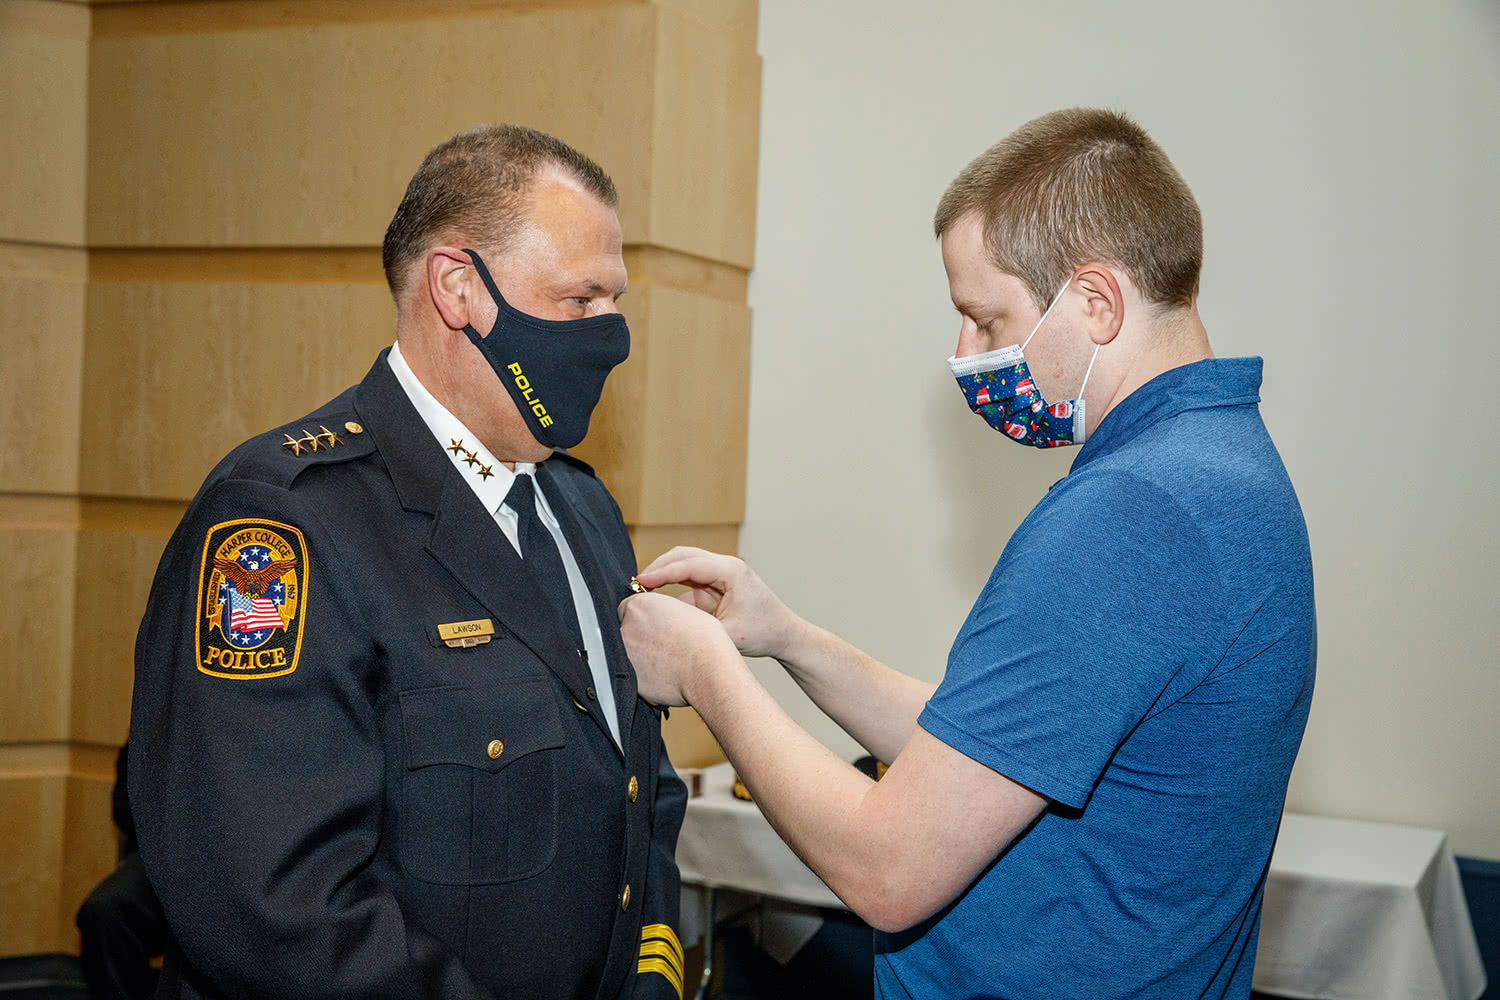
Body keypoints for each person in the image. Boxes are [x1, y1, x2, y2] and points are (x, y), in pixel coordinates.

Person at [618, 108, 1316, 999]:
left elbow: (887, 870)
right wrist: (784, 637)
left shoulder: (1129, 517)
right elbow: (985, 752)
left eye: (986, 321)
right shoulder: (1222, 467)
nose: (965, 354)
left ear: (1096, 302)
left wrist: (708, 673)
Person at [129, 124, 688, 999]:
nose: (609, 335)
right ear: (459, 288)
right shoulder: (285, 523)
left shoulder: (582, 507)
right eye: (579, 302)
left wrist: (651, 966)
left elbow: (636, 785)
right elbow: (276, 906)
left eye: (615, 302)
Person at [75, 743, 167, 999]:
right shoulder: (160, 720)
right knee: (105, 910)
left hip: (235, 863)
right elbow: (124, 809)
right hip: (158, 854)